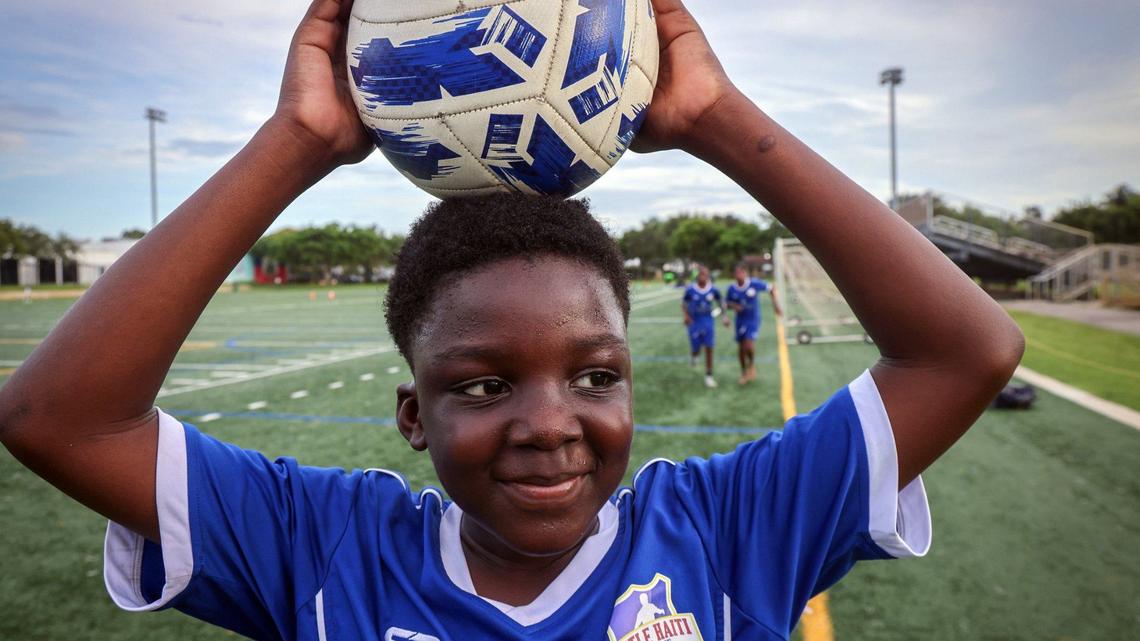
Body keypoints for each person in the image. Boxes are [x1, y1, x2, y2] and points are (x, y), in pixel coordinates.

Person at [0, 0, 1025, 639]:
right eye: (484, 383)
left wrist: (717, 115)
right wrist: (297, 139)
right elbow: (58, 417)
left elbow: (970, 349)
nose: (549, 421)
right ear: (412, 412)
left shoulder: (726, 529)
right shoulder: (323, 545)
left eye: (595, 374)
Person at [725, 263, 782, 385]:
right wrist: (733, 306)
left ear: (745, 273)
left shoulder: (754, 283)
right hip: (740, 321)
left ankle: (751, 366)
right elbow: (727, 303)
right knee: (741, 348)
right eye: (737, 273)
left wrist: (775, 305)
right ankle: (744, 372)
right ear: (734, 275)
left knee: (748, 345)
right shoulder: (732, 288)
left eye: (742, 272)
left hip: (753, 320)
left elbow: (771, 288)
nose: (739, 275)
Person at [681, 264, 724, 388]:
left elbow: (721, 301)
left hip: (708, 322)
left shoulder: (713, 290)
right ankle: (694, 356)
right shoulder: (690, 290)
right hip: (694, 323)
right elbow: (683, 303)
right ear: (697, 276)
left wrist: (724, 316)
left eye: (705, 274)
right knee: (696, 348)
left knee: (709, 348)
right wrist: (686, 316)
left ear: (708, 276)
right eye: (701, 274)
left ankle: (709, 376)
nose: (703, 276)